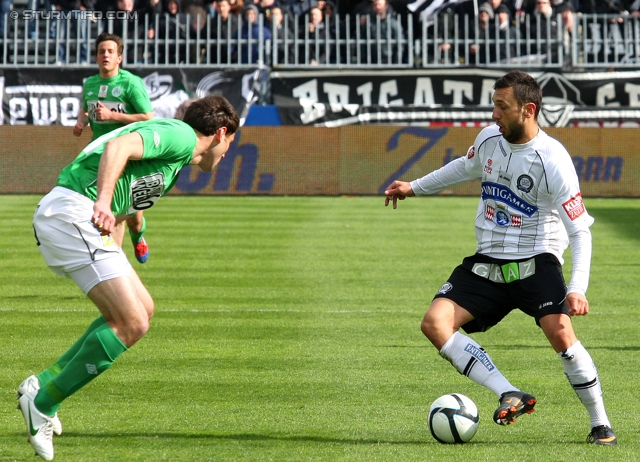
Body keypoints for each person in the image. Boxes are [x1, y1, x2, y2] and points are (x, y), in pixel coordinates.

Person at [384, 70, 617, 446]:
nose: (493, 114)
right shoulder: (489, 139)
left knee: (561, 333)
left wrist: (577, 288)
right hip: (487, 261)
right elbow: (464, 166)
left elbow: (580, 230)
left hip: (535, 262)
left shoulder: (553, 160)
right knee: (435, 323)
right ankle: (510, 392)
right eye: (494, 104)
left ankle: (600, 424)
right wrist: (414, 187)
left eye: (501, 107)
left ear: (527, 110)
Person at [17, 95, 239, 461]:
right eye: (231, 141)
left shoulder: (177, 157)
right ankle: (43, 403)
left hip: (78, 215)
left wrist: (130, 232)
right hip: (76, 212)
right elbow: (119, 146)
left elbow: (130, 198)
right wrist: (103, 201)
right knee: (131, 322)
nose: (228, 151)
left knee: (144, 308)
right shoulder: (181, 135)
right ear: (219, 133)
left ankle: (41, 382)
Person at [73, 33, 154, 264]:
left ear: (119, 57)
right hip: (99, 154)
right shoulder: (90, 84)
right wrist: (81, 122)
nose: (105, 55)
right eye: (101, 51)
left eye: (110, 51)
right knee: (110, 212)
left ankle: (138, 235)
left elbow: (148, 118)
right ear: (96, 57)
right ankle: (112, 264)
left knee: (133, 218)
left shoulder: (130, 84)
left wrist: (113, 116)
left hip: (128, 155)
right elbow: (86, 109)